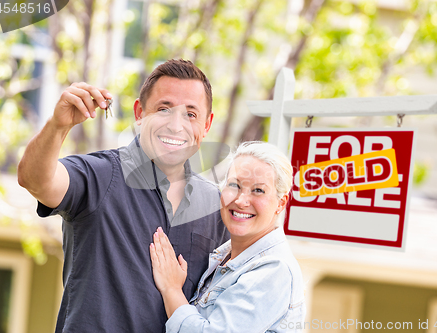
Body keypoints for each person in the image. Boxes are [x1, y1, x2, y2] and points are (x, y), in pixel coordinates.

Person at [17, 59, 229, 332]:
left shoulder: (216, 206)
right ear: (139, 113)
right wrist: (58, 126)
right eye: (164, 109)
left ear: (206, 125)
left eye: (191, 114)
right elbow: (34, 179)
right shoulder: (100, 176)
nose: (177, 125)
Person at [149, 141, 306, 332]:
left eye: (258, 190)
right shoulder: (225, 256)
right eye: (235, 185)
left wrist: (172, 290)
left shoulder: (273, 270)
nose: (240, 200)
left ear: (281, 203)